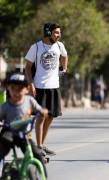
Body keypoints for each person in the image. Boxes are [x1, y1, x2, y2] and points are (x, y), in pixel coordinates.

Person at [25, 22, 68, 155]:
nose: (58, 35)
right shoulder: (36, 47)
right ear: (48, 33)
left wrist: (64, 68)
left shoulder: (60, 46)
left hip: (54, 87)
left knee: (50, 117)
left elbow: (65, 56)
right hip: (40, 87)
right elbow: (27, 67)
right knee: (41, 117)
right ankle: (38, 146)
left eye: (59, 33)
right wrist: (31, 83)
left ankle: (41, 145)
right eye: (56, 32)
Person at [0, 73, 48, 166]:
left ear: (27, 89)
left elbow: (40, 110)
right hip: (8, 133)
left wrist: (43, 111)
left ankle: (42, 175)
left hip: (24, 134)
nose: (16, 92)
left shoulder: (29, 100)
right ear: (8, 88)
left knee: (37, 154)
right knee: (1, 151)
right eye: (13, 88)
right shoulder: (5, 106)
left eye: (20, 89)